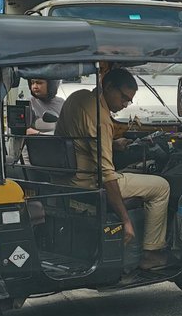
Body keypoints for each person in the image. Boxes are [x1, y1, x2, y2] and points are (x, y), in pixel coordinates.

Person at [55, 67, 171, 271]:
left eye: (129, 101)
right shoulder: (101, 117)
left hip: (66, 179)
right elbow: (107, 174)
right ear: (108, 87)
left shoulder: (77, 97)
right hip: (88, 182)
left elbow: (82, 141)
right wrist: (126, 221)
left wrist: (113, 144)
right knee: (161, 186)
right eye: (124, 98)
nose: (124, 105)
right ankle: (151, 254)